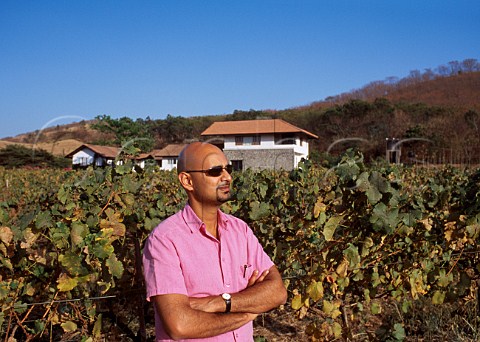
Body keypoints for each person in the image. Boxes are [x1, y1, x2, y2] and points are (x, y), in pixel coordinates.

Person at [142, 142, 287, 341]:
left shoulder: (240, 230)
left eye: (228, 169)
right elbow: (179, 325)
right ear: (187, 181)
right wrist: (248, 311)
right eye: (215, 171)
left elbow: (278, 292)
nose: (227, 177)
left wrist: (216, 303)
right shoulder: (164, 240)